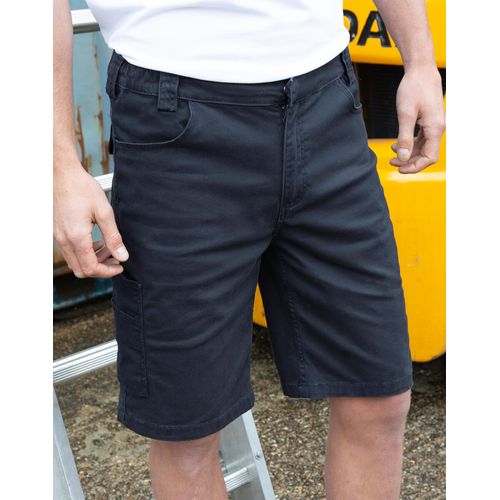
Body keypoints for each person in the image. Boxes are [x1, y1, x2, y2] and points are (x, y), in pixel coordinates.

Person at [53, 0, 445, 497]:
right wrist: (58, 162)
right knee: (187, 429)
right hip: (174, 123)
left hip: (326, 100)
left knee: (379, 393)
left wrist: (420, 62)